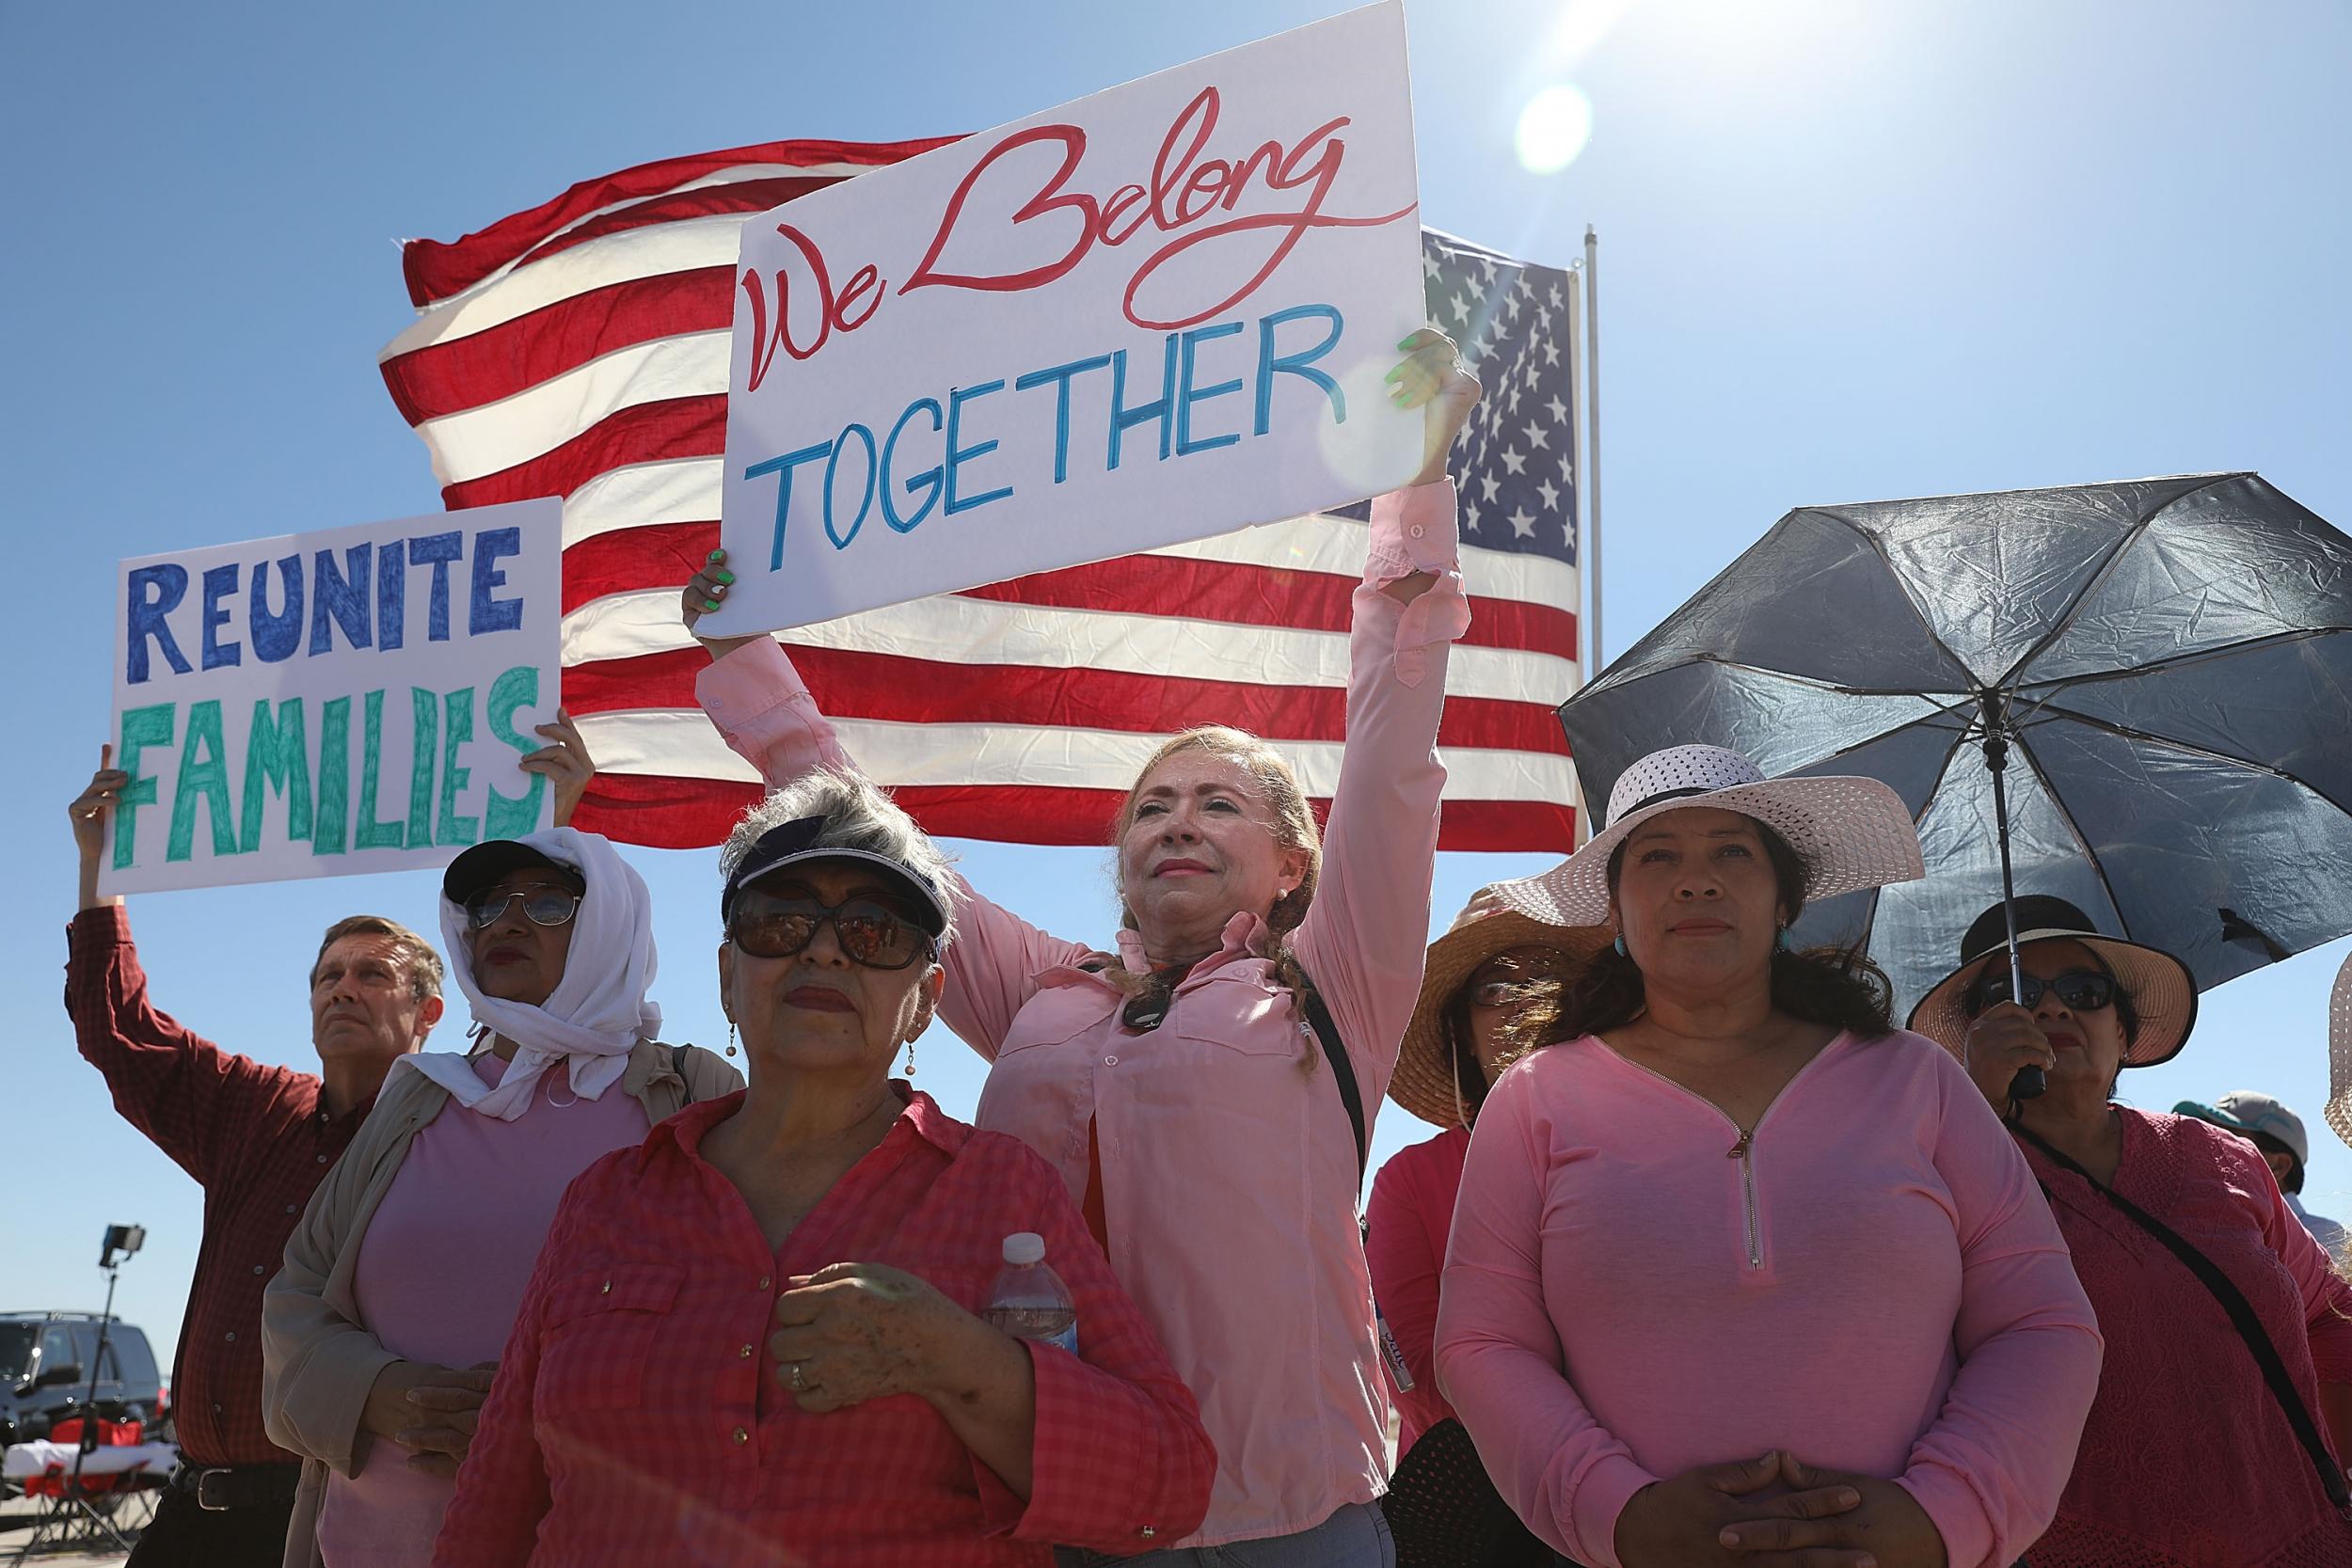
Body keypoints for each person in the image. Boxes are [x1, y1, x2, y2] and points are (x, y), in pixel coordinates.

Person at [672, 331, 1480, 1563]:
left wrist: (1413, 497)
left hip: (1292, 1521)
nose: (1178, 821)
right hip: (1060, 1508)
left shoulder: (1334, 983)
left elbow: (1393, 739)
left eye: (1219, 802)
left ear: (1293, 862)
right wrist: (750, 668)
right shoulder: (1039, 990)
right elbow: (878, 840)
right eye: (1152, 805)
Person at [428, 770, 1215, 1566]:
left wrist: (953, 1356)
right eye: (782, 921)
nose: (826, 949)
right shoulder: (604, 1202)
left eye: (875, 932)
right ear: (729, 976)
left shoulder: (1003, 1193)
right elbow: (498, 1498)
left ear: (923, 997)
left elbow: (1170, 1484)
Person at [1435, 745, 2105, 1568]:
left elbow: (2043, 1323)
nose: (1696, 879)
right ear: (1614, 906)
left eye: (1732, 850)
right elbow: (1481, 1344)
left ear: (1784, 896)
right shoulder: (1534, 1100)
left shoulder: (1919, 1080)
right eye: (1658, 855)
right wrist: (1621, 1514)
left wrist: (1943, 1516)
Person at [61, 717, 593, 1566]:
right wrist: (101, 872)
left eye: (371, 973)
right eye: (327, 974)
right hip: (188, 1515)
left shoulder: (464, 1125)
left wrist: (558, 824)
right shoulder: (249, 1107)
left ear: (429, 1011)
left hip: (319, 1521)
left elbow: (551, 1022)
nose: (342, 988)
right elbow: (119, 1028)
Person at [261, 826, 742, 1568]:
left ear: (608, 925)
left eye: (549, 902)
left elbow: (758, 1299)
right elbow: (296, 1293)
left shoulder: (687, 1091)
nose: (508, 922)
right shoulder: (418, 1097)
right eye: (487, 905)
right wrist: (384, 1394)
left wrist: (558, 1408)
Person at [1915, 895, 2352, 1566]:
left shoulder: (2220, 1155)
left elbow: (2328, 1316)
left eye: (2083, 992)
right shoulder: (1936, 1179)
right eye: (2015, 991)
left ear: (2122, 1032)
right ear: (1973, 1035)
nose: (2052, 1008)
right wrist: (1974, 1110)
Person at [1366, 891, 1604, 1568]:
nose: (1525, 1001)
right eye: (1496, 986)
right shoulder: (1408, 1179)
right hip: (1476, 1501)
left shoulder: (1661, 1143)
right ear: (1459, 1029)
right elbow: (1418, 1364)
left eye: (1550, 976)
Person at [2174, 1091, 2348, 1256]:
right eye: (2204, 1138)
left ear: (2279, 1166)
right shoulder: (2195, 1229)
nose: (2206, 1151)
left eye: (2228, 1140)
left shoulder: (2327, 1241)